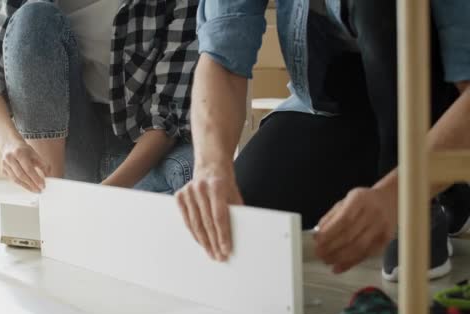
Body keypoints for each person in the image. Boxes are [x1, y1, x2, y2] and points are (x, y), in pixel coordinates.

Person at [176, 0, 470, 281]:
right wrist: (211, 166)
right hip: (336, 108)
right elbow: (222, 60)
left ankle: (436, 195)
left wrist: (399, 194)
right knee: (245, 220)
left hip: (437, 110)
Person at [0, 0, 198, 194]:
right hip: (68, 145)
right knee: (33, 17)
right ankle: (52, 195)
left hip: (142, 150)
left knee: (192, 173)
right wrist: (10, 143)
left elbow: (166, 119)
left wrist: (101, 198)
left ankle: (88, 199)